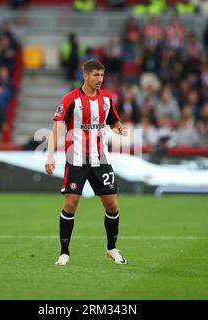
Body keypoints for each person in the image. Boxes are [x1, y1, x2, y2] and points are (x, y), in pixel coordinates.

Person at [45, 59, 128, 265]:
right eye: (96, 75)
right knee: (71, 204)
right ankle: (64, 253)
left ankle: (112, 248)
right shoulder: (71, 99)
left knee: (112, 204)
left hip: (101, 159)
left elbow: (115, 121)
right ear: (85, 76)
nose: (100, 79)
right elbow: (57, 127)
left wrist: (121, 128)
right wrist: (49, 155)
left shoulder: (107, 99)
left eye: (102, 75)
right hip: (76, 159)